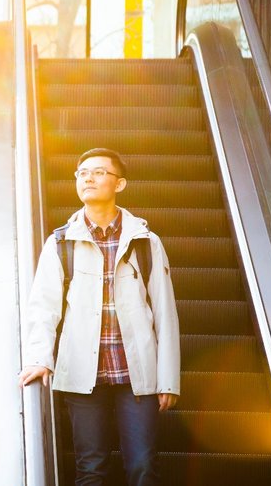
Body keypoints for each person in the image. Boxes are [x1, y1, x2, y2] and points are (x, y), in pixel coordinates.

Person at [19, 147, 180, 486]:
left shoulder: (146, 242)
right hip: (82, 371)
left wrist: (168, 379)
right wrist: (40, 358)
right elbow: (43, 307)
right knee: (91, 469)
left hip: (136, 374)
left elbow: (165, 313)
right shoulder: (61, 243)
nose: (88, 178)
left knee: (143, 467)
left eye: (98, 172)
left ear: (119, 183)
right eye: (82, 173)